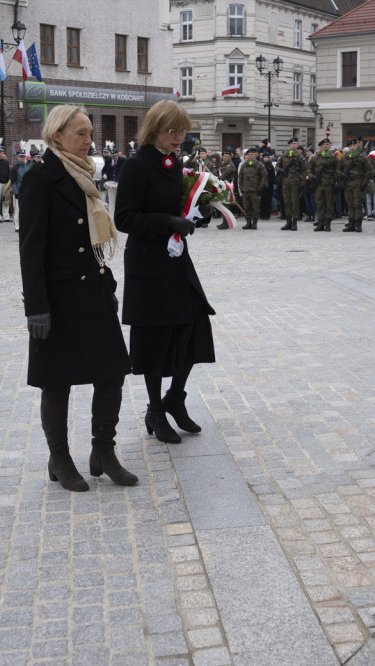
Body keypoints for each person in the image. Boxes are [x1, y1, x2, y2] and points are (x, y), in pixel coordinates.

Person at [19, 104, 134, 492]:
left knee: (112, 373)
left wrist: (109, 287)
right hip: (59, 298)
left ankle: (103, 450)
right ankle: (60, 457)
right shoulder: (39, 179)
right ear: (57, 137)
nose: (90, 141)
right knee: (57, 382)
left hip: (94, 293)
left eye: (89, 134)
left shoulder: (85, 175)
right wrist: (35, 308)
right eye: (81, 134)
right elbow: (30, 249)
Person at [114, 99, 216, 445]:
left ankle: (176, 397)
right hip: (147, 263)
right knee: (156, 336)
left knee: (193, 324)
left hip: (175, 260)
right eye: (173, 131)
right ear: (154, 129)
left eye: (182, 131)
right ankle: (155, 409)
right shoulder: (135, 166)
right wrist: (168, 222)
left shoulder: (175, 165)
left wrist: (198, 213)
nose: (179, 137)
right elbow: (124, 219)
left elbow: (179, 206)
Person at [308, 138, 338, 231]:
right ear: (320, 146)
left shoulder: (333, 157)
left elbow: (338, 170)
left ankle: (328, 223)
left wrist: (334, 179)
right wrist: (312, 176)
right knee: (320, 203)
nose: (325, 146)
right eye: (324, 144)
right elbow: (309, 169)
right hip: (319, 184)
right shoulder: (315, 157)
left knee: (329, 204)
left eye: (327, 144)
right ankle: (320, 223)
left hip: (329, 184)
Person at [277, 138, 307, 231]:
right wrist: (281, 170)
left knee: (295, 203)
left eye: (295, 143)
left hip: (295, 182)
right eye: (292, 144)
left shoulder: (300, 157)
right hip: (285, 182)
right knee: (287, 202)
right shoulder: (284, 155)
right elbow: (277, 166)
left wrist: (302, 182)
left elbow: (305, 169)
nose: (294, 145)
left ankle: (294, 222)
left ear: (297, 145)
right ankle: (288, 222)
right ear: (289, 145)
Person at [238, 148, 267, 230]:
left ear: (255, 155)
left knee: (255, 207)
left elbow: (264, 177)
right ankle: (248, 222)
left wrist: (260, 188)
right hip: (246, 190)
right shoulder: (244, 165)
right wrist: (241, 187)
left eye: (252, 154)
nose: (250, 156)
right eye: (248, 155)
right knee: (247, 207)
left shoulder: (259, 165)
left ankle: (254, 223)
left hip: (255, 190)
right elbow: (241, 177)